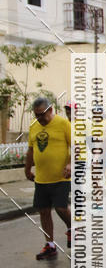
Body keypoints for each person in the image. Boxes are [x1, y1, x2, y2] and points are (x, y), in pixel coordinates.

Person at [25, 97, 71, 259]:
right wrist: (27, 169)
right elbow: (31, 150)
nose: (39, 118)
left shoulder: (63, 124)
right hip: (42, 178)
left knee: (60, 208)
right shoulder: (34, 126)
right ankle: (50, 245)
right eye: (36, 115)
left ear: (51, 110)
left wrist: (70, 165)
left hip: (61, 177)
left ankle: (72, 228)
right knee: (44, 211)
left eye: (42, 114)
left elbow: (77, 146)